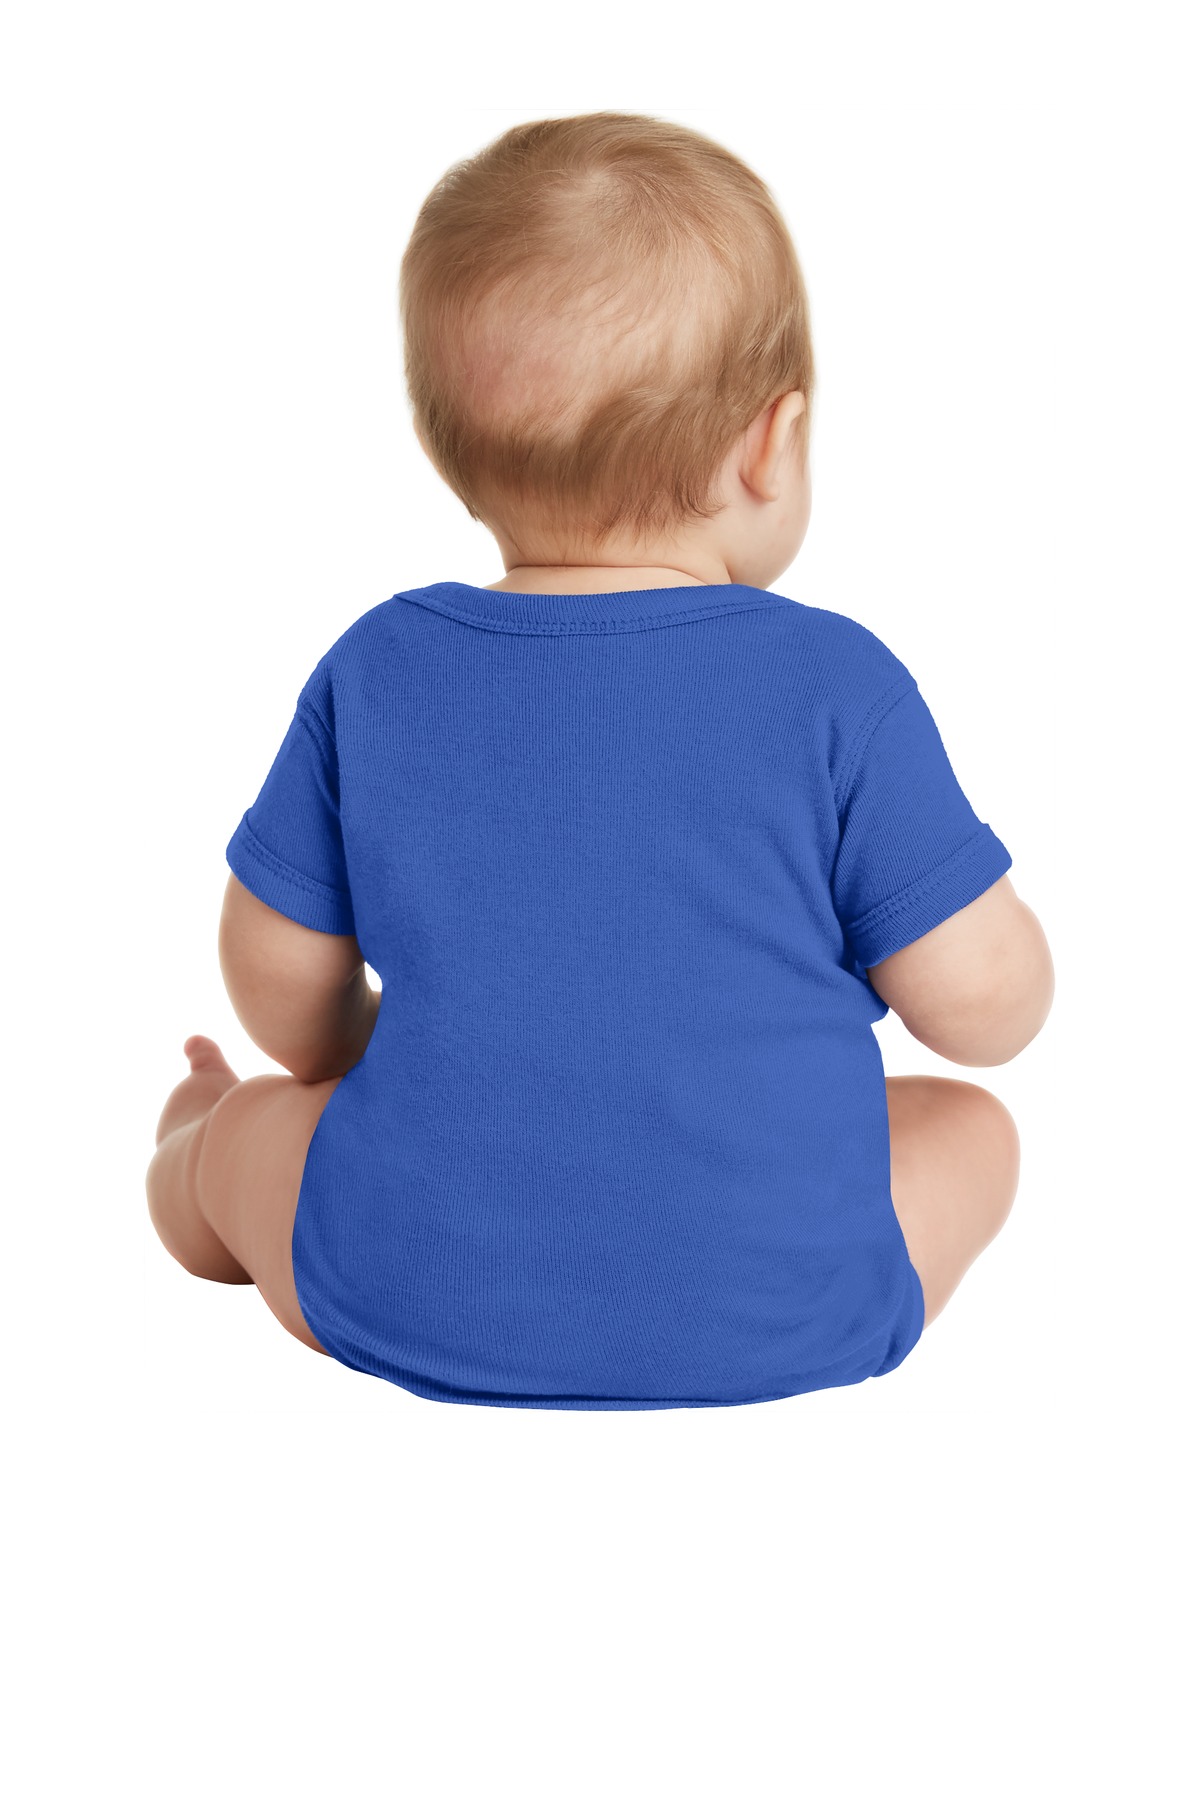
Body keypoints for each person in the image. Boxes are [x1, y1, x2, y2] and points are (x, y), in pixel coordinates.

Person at [146, 112, 1053, 1409]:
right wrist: (1008, 973)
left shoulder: (379, 668)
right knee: (975, 1129)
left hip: (410, 1286)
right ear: (773, 442)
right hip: (774, 1317)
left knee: (254, 1132)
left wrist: (351, 1055)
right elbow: (984, 1014)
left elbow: (280, 975)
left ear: (450, 449)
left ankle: (185, 1163)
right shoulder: (837, 686)